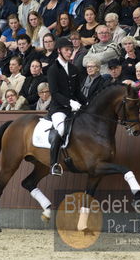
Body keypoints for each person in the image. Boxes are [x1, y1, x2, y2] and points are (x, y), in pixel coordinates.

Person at [47, 37, 87, 176]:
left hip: (73, 107)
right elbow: (54, 93)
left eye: (71, 50)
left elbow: (77, 92)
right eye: (66, 50)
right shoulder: (53, 69)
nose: (69, 52)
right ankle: (54, 164)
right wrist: (70, 102)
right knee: (62, 128)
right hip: (58, 108)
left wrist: (86, 103)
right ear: (59, 51)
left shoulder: (74, 68)